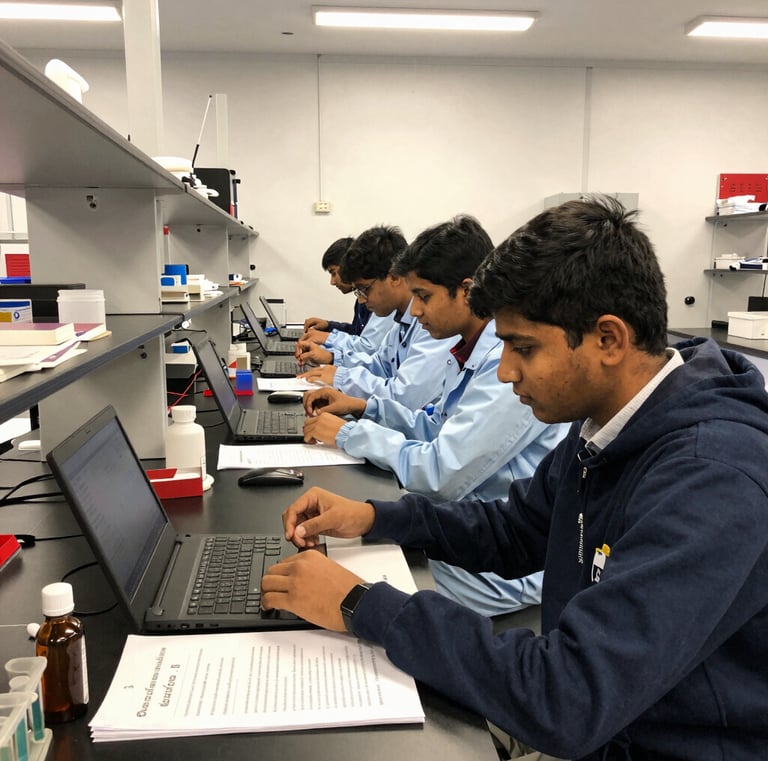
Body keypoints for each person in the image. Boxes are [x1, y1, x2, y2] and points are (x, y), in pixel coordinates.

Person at [262, 195, 768, 761]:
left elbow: (567, 697)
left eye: (523, 348)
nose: (504, 371)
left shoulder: (711, 478)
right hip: (603, 728)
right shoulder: (608, 425)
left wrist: (362, 604)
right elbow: (514, 530)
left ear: (608, 339)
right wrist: (378, 517)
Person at [303, 215, 566, 616]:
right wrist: (364, 408)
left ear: (466, 291)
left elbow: (443, 474)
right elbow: (435, 426)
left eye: (424, 297)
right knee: (346, 552)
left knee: (345, 584)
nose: (416, 310)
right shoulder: (469, 347)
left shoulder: (506, 366)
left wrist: (349, 435)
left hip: (506, 559)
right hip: (468, 524)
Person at [298, 225, 457, 410]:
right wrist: (334, 363)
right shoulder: (400, 321)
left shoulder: (434, 324)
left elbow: (405, 398)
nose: (360, 299)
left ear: (395, 277)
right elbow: (380, 365)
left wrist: (342, 380)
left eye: (364, 289)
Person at [301, 236, 393, 354]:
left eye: (334, 273)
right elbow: (358, 332)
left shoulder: (383, 303)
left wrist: (327, 340)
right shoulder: (363, 297)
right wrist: (329, 326)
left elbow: (368, 347)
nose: (332, 282)